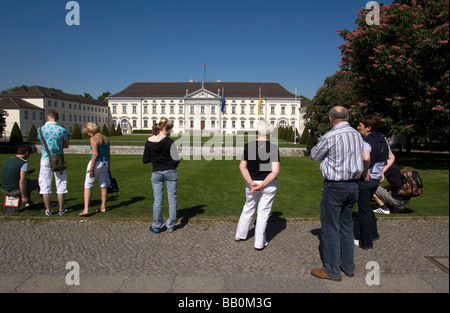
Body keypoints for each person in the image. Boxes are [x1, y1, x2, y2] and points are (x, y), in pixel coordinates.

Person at [310, 106, 364, 281]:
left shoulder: (331, 136)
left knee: (330, 229)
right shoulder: (357, 135)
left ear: (330, 118)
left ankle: (332, 270)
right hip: (353, 186)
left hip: (335, 187)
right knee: (347, 227)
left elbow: (314, 155)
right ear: (347, 117)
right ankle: (348, 266)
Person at [235, 119, 280, 251]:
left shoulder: (248, 146)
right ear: (269, 132)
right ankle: (259, 243)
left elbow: (242, 166)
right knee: (263, 213)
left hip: (252, 183)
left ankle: (240, 234)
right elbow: (275, 171)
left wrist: (251, 182)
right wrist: (263, 185)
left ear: (257, 130)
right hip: (268, 184)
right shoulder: (273, 148)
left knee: (248, 207)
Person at [355, 115, 393, 251]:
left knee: (363, 210)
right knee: (368, 208)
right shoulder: (383, 140)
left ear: (368, 128)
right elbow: (392, 157)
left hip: (366, 181)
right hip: (376, 180)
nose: (358, 127)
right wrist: (383, 171)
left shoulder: (367, 141)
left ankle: (366, 243)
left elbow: (366, 157)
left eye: (360, 125)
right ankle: (374, 234)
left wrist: (365, 171)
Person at [143, 118, 180, 233]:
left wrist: (156, 159)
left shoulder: (149, 141)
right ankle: (170, 225)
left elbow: (145, 159)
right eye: (170, 128)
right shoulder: (170, 142)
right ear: (166, 128)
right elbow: (176, 160)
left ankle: (157, 225)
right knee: (172, 199)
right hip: (170, 171)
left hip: (156, 172)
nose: (171, 131)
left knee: (157, 199)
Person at [37, 110, 69, 216]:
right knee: (61, 184)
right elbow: (66, 145)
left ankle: (48, 210)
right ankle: (61, 209)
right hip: (59, 158)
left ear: (47, 117)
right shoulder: (62, 130)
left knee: (45, 184)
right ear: (57, 118)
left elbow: (42, 143)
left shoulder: (40, 130)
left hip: (46, 158)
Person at [79, 123, 111, 216]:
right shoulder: (106, 138)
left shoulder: (94, 139)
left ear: (91, 131)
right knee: (103, 185)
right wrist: (108, 165)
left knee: (88, 185)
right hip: (105, 163)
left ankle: (86, 209)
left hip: (96, 163)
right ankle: (103, 207)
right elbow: (108, 154)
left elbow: (95, 154)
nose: (87, 135)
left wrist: (91, 168)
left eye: (87, 133)